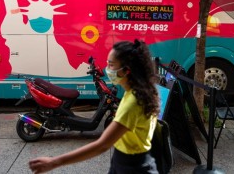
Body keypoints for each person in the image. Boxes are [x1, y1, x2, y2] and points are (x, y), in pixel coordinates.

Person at [28, 39, 161, 174]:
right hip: (127, 159)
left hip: (132, 166)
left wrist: (54, 162)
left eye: (111, 65)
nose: (107, 69)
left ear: (126, 70)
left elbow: (102, 145)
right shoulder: (137, 92)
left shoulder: (133, 102)